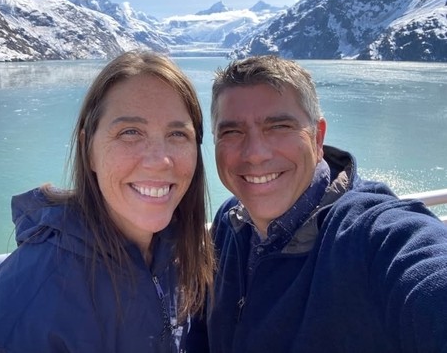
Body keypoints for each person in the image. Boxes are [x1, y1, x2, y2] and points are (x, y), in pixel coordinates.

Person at [0, 51, 214, 352]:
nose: (160, 160)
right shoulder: (26, 304)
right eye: (130, 132)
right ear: (88, 148)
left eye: (178, 134)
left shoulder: (177, 254)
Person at [189, 55, 447, 353]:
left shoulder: (369, 237)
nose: (255, 153)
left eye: (279, 126)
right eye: (232, 132)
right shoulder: (230, 221)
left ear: (317, 138)